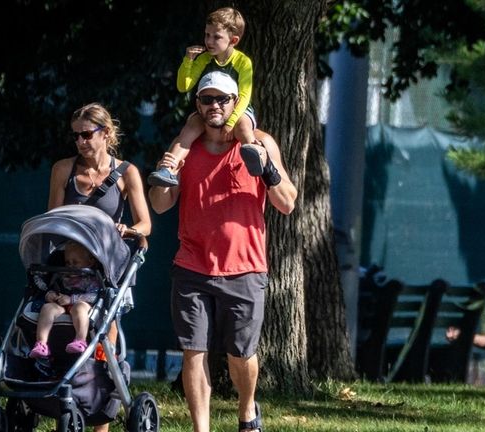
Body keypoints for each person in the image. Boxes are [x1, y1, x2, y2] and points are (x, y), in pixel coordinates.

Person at [148, 71, 297, 432]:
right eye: (207, 99)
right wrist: (166, 170)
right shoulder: (186, 148)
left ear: (236, 103)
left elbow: (287, 204)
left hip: (245, 268)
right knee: (193, 352)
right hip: (192, 265)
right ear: (197, 105)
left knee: (240, 355)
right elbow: (160, 205)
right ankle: (202, 428)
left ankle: (247, 410)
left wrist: (268, 169)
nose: (214, 106)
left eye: (222, 99)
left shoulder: (261, 142)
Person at [47, 102, 151, 432]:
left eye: (86, 134)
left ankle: (101, 415)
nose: (80, 141)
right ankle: (63, 387)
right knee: (60, 319)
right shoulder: (63, 169)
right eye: (75, 135)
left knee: (107, 333)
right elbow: (53, 219)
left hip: (106, 269)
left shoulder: (127, 173)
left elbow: (145, 223)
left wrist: (129, 230)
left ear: (105, 133)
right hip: (70, 266)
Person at [147, 6, 256, 187]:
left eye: (216, 37)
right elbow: (184, 86)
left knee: (244, 127)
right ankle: (168, 169)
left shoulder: (243, 62)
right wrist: (188, 60)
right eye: (207, 35)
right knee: (189, 128)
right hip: (208, 110)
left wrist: (231, 122)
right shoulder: (204, 59)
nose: (209, 41)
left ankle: (258, 159)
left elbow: (245, 95)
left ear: (233, 40)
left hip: (238, 110)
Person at [29, 241, 103, 358]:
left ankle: (80, 340)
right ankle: (41, 344)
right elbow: (50, 287)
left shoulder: (92, 279)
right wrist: (50, 294)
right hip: (61, 304)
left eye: (75, 262)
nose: (71, 266)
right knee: (47, 307)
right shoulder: (63, 275)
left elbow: (94, 296)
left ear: (90, 262)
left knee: (79, 308)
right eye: (68, 263)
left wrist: (72, 299)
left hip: (82, 304)